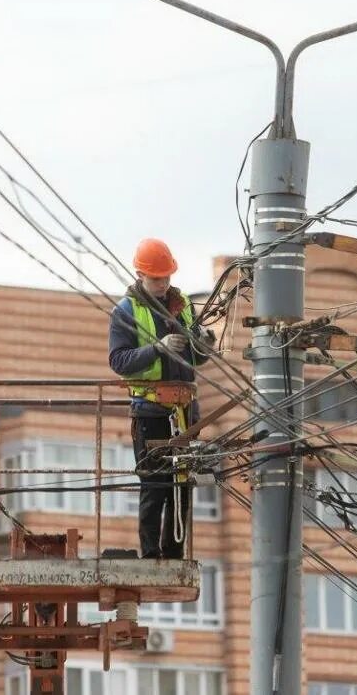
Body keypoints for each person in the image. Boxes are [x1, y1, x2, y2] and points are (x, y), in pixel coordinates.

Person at [108, 238, 210, 559]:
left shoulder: (184, 307)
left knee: (181, 485)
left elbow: (198, 357)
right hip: (150, 411)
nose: (163, 283)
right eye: (157, 278)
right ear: (140, 274)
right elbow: (119, 361)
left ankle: (174, 552)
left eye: (167, 277)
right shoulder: (127, 312)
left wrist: (205, 342)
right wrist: (158, 348)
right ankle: (152, 555)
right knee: (155, 485)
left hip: (182, 411)